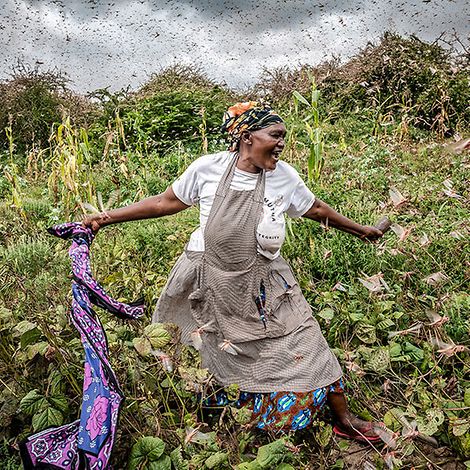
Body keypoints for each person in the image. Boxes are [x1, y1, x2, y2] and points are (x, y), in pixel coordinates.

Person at [83, 101, 384, 441]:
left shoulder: (283, 175)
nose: (282, 142)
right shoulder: (207, 169)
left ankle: (344, 420)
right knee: (206, 349)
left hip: (266, 281)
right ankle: (213, 417)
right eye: (275, 134)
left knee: (306, 337)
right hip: (207, 278)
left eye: (284, 135)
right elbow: (164, 203)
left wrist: (361, 230)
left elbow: (314, 208)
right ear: (246, 136)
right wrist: (105, 218)